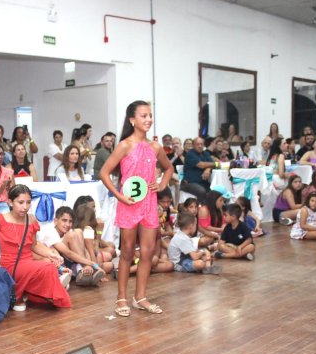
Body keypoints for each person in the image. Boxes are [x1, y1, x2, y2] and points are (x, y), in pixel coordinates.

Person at [99, 100, 174, 317]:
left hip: (149, 204)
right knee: (128, 252)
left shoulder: (155, 147)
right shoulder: (124, 145)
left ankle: (140, 297)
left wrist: (161, 184)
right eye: (144, 116)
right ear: (132, 120)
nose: (148, 119)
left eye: (150, 115)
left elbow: (168, 168)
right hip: (129, 205)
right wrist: (119, 196)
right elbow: (104, 172)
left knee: (148, 252)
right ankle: (121, 298)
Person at [0, 185, 71, 311]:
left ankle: (35, 293)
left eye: (28, 202)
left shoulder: (31, 219)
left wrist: (50, 254)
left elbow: (34, 245)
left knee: (50, 264)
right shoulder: (0, 219)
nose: (25, 207)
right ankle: (51, 290)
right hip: (10, 263)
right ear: (10, 202)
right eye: (20, 202)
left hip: (27, 261)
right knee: (48, 268)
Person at [37, 206, 106, 286]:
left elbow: (84, 250)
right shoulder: (50, 234)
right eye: (64, 220)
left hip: (74, 263)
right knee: (72, 234)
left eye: (70, 221)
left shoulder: (71, 232)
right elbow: (68, 253)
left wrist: (93, 265)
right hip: (60, 265)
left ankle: (85, 271)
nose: (67, 224)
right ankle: (83, 269)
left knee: (79, 231)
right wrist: (92, 264)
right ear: (55, 221)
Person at [182, 137, 216, 202]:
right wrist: (216, 164)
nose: (200, 146)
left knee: (215, 191)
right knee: (202, 191)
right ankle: (200, 207)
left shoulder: (205, 153)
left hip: (203, 182)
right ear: (193, 145)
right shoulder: (190, 154)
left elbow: (212, 163)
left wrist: (208, 169)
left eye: (201, 144)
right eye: (197, 144)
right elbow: (201, 165)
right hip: (189, 183)